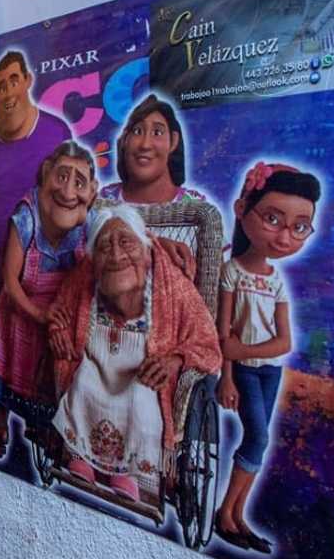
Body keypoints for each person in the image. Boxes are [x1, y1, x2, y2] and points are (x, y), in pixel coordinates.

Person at [47, 203, 221, 502]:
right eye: (105, 247)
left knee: (141, 399)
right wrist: (58, 331)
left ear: (145, 248)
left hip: (141, 373)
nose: (116, 255)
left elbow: (208, 345)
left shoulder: (173, 286)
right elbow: (59, 312)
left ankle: (131, 472)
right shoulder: (85, 275)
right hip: (96, 363)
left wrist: (175, 360)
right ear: (93, 258)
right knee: (84, 383)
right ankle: (80, 458)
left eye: (126, 243)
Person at [215, 164, 321, 554]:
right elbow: (224, 332)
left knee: (259, 440)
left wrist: (244, 350)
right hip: (244, 372)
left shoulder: (275, 281)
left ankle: (236, 514)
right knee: (257, 436)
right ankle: (225, 513)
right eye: (273, 220)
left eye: (300, 227)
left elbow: (284, 341)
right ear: (243, 210)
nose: (284, 236)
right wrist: (227, 375)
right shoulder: (232, 272)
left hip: (267, 371)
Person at [0, 141, 98, 459]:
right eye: (61, 177)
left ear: (92, 191)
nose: (67, 191)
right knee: (9, 367)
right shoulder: (27, 216)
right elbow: (10, 281)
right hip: (22, 307)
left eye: (79, 182)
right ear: (47, 174)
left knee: (54, 370)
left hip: (63, 314)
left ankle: (44, 424)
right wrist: (38, 314)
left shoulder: (91, 222)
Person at [0, 50, 72, 309]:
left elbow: (77, 202)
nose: (8, 92)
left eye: (14, 81)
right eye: (1, 87)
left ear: (28, 80)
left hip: (45, 278)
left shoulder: (57, 133)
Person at [99, 94, 206, 279]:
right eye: (137, 131)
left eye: (157, 132)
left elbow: (214, 278)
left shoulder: (197, 208)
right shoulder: (101, 202)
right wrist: (155, 245)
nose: (145, 144)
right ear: (124, 140)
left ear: (173, 141)